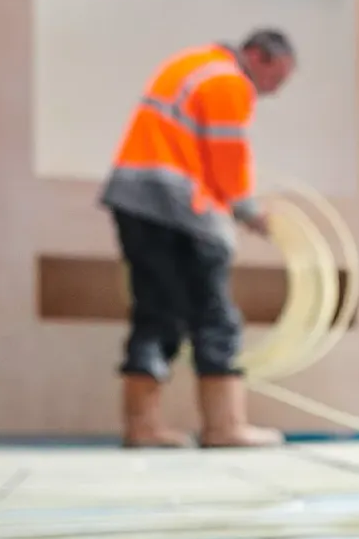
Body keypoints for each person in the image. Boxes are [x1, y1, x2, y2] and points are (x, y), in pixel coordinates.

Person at [100, 29, 297, 447]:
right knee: (215, 316)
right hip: (175, 205)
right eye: (274, 79)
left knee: (156, 312)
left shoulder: (191, 64)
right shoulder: (227, 80)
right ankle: (224, 426)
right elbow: (227, 155)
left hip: (134, 197)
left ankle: (142, 426)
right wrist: (249, 212)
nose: (270, 92)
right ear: (257, 56)